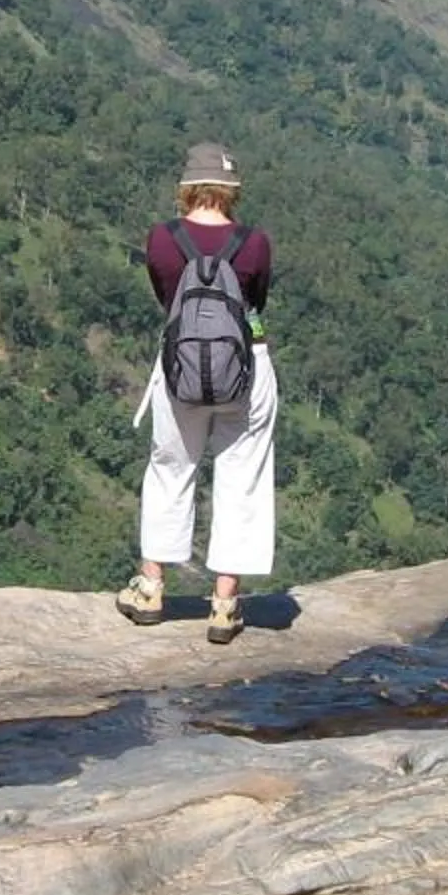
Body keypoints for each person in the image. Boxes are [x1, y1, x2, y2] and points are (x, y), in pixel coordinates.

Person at [116, 142, 275, 647]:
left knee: (170, 468)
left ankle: (151, 589)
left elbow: (167, 298)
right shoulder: (254, 243)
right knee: (243, 474)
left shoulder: (162, 239)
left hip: (179, 364)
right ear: (232, 191)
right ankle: (225, 603)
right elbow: (257, 302)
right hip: (247, 364)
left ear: (186, 189)